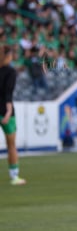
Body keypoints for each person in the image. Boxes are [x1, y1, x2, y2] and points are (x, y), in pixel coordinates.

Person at [0, 45, 26, 185]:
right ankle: (14, 176)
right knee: (11, 145)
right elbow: (8, 93)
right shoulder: (10, 72)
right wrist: (8, 111)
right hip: (5, 111)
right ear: (8, 56)